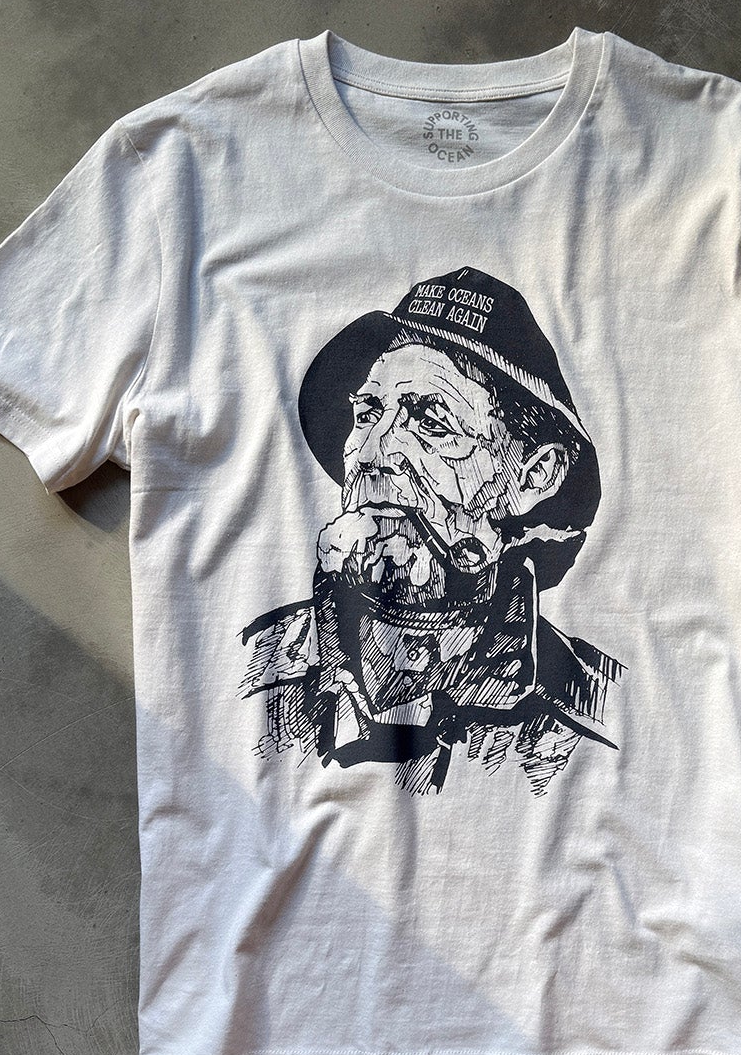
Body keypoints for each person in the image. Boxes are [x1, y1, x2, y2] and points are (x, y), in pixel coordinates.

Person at [238, 265, 625, 795]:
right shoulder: (251, 668)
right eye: (368, 415)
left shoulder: (597, 714)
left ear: (534, 476)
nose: (372, 453)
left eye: (432, 424)